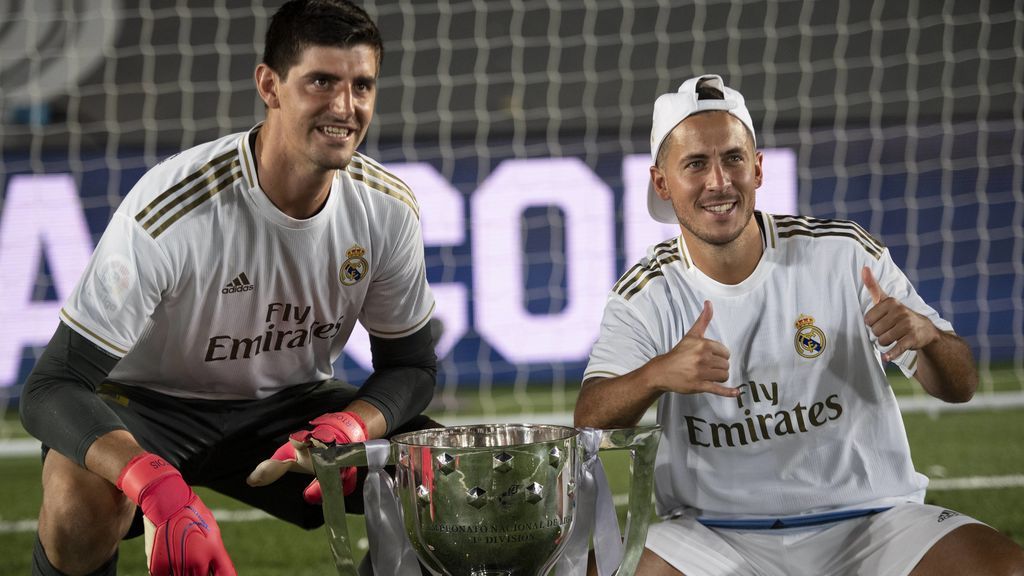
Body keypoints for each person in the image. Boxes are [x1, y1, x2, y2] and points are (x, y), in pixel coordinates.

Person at [20, 1, 440, 574]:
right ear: (269, 85)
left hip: (286, 412)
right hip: (146, 408)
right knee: (78, 500)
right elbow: (52, 388)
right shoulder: (171, 211)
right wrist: (153, 484)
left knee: (452, 482)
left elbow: (412, 368)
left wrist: (352, 425)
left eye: (361, 85)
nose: (346, 107)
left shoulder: (386, 210)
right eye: (321, 81)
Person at [575, 74, 1024, 575]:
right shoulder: (646, 293)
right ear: (662, 182)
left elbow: (959, 386)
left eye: (733, 158)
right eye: (696, 164)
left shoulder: (843, 254)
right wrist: (657, 374)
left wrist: (931, 338)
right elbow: (589, 419)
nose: (718, 181)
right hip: (714, 535)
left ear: (759, 169)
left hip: (872, 522)